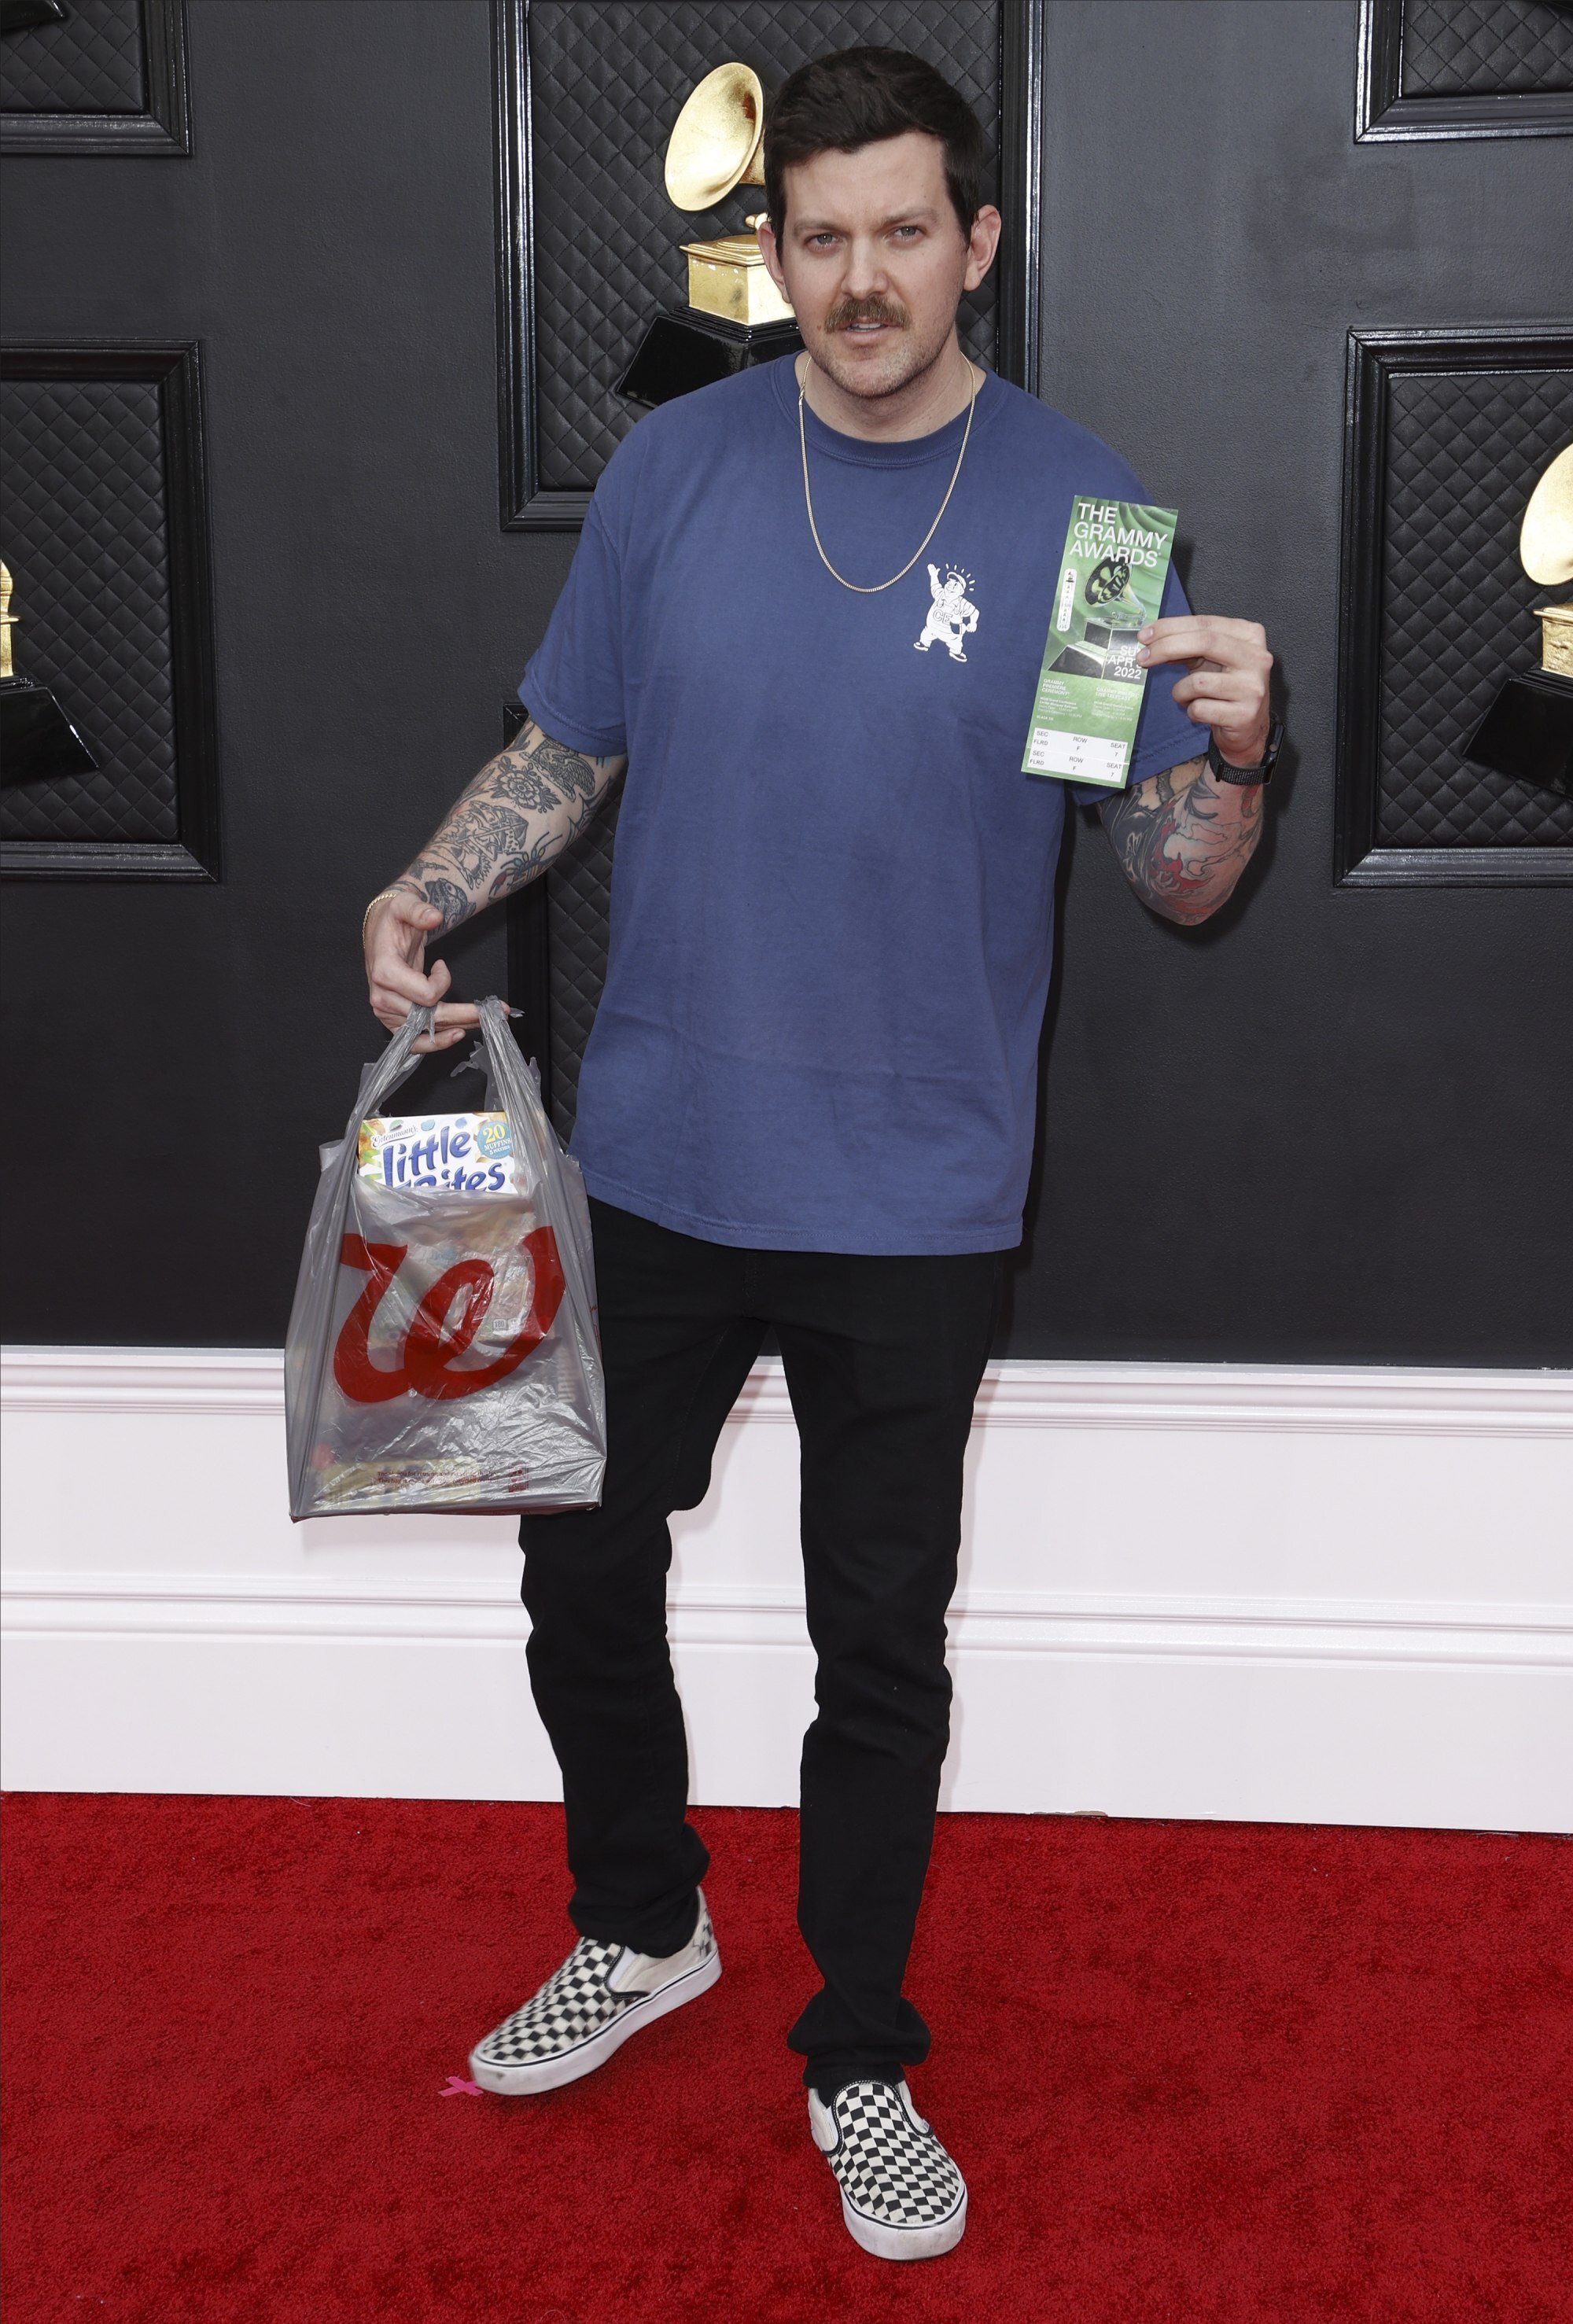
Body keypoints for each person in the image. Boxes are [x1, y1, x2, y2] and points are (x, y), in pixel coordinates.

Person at [361, 47, 1276, 2264]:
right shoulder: (676, 471)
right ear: (779, 249)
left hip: (919, 1192)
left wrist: (1235, 755)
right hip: (662, 1148)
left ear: (977, 243)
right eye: (820, 234)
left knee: (884, 1640)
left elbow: (1176, 878)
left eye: (902, 232)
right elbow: (568, 741)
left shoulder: (1083, 515)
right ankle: (643, 1917)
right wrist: (429, 885)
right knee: (577, 1563)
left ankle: (859, 2043)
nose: (859, 278)